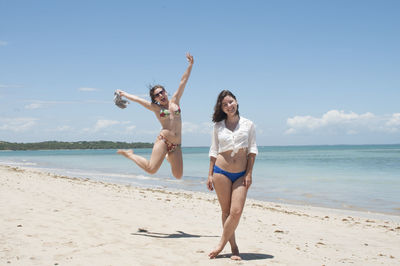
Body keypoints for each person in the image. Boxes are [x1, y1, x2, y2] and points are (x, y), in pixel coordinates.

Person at [116, 53, 194, 179]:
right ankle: (130, 154)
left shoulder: (175, 101)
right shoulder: (156, 108)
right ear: (155, 99)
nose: (161, 95)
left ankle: (168, 156)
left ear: (166, 92)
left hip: (176, 145)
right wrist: (124, 94)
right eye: (157, 95)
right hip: (163, 140)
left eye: (162, 92)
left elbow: (183, 81)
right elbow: (138, 100)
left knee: (178, 176)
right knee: (151, 169)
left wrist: (190, 65)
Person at [206, 90, 258, 260]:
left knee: (236, 211)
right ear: (221, 108)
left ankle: (220, 245)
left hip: (241, 174)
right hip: (221, 172)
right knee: (226, 211)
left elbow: (252, 151)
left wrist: (249, 173)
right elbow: (214, 151)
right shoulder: (218, 126)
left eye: (231, 102)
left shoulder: (248, 124)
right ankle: (233, 247)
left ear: (237, 101)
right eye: (225, 104)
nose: (229, 106)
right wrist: (210, 174)